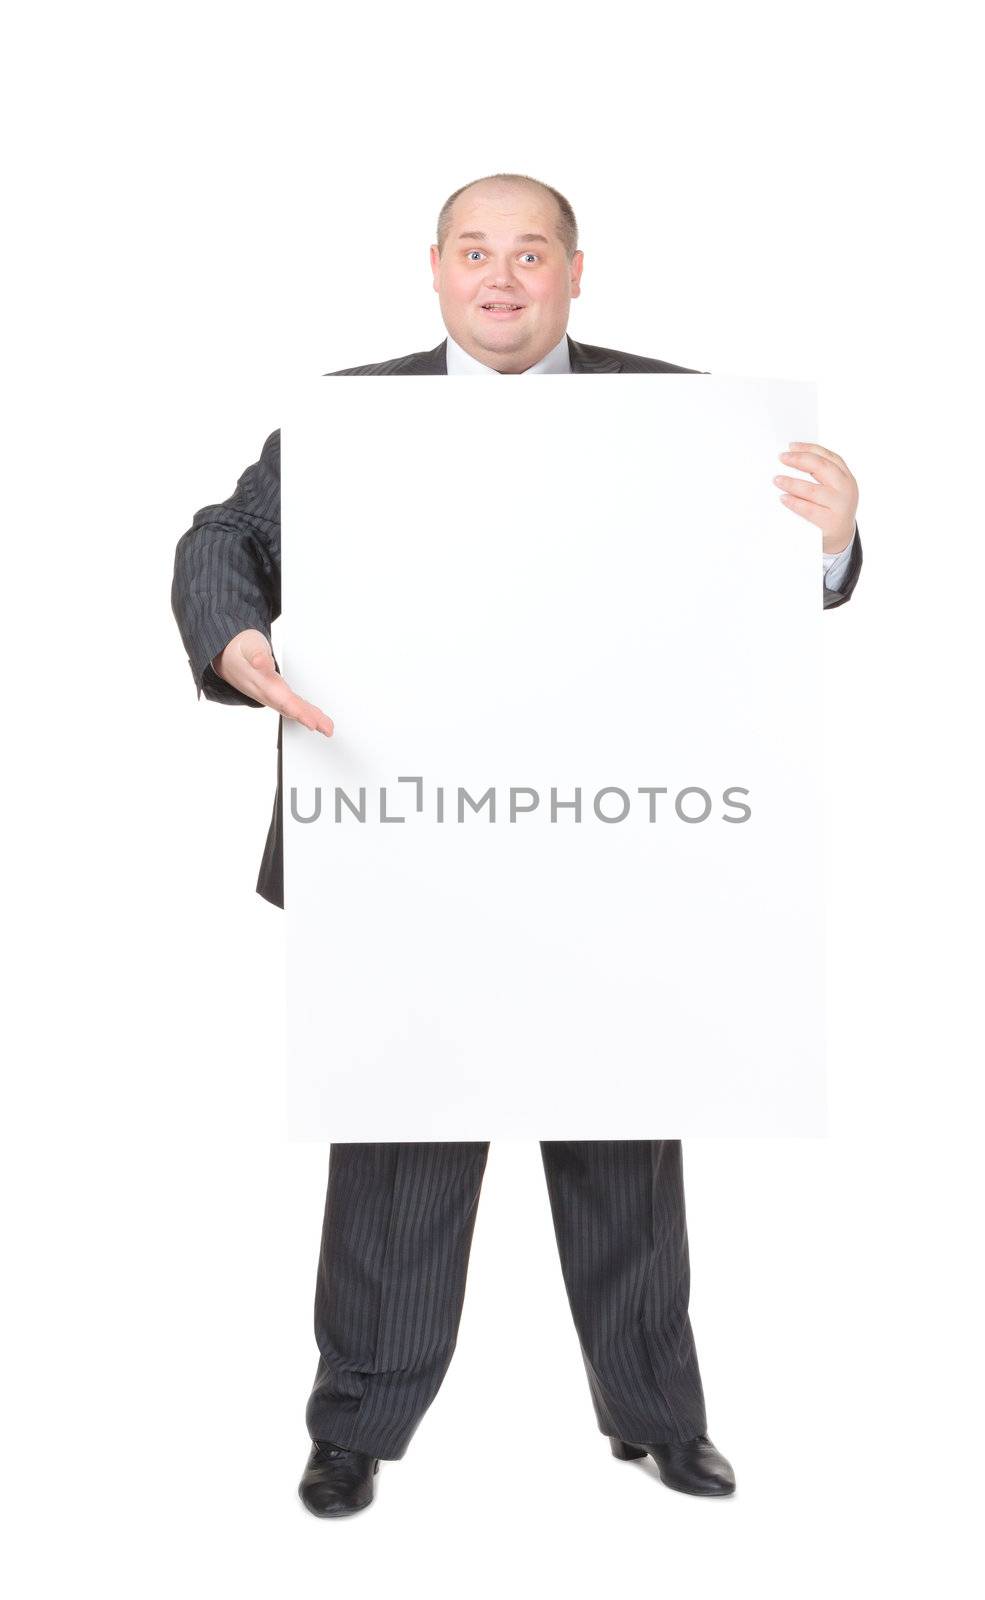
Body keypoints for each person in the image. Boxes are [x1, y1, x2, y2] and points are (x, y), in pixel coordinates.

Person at [171, 172, 863, 1519]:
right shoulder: (347, 417)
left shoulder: (682, 410)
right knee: (397, 1150)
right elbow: (225, 539)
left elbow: (757, 591)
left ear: (574, 272)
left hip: (608, 848)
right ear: (435, 269)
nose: (502, 278)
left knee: (622, 1149)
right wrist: (230, 631)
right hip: (402, 840)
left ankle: (656, 1419)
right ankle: (356, 1430)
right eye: (475, 253)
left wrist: (832, 543)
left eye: (528, 254)